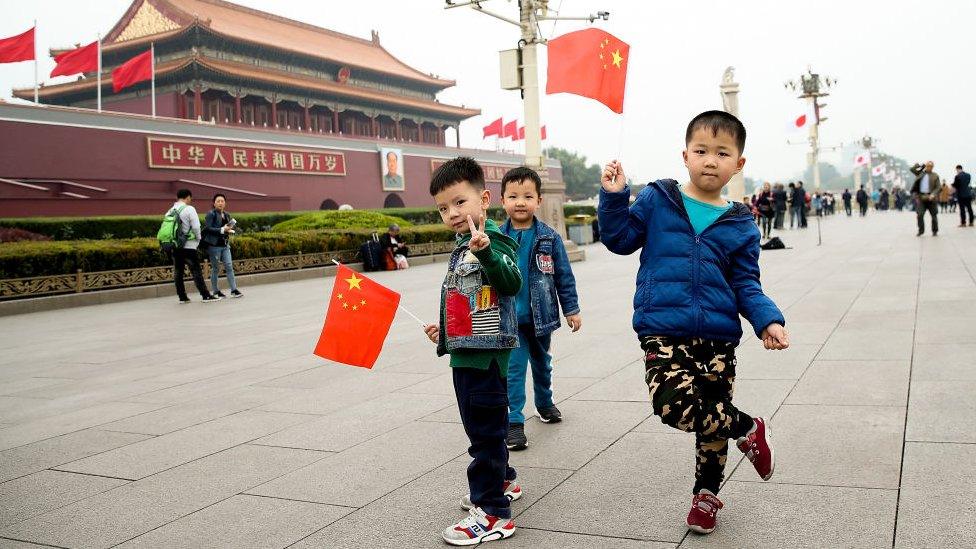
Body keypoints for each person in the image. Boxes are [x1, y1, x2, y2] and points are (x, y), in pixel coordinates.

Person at [598, 111, 789, 535]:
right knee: (672, 405)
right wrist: (613, 197)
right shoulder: (659, 199)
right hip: (662, 329)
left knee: (710, 419)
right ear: (685, 155)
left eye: (722, 153)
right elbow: (619, 240)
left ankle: (706, 496)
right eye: (701, 151)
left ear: (738, 164)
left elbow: (746, 284)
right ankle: (748, 428)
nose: (709, 160)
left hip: (718, 337)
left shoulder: (740, 223)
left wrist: (767, 321)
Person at [423, 157, 523, 545]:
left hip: (485, 359)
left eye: (459, 202)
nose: (452, 213)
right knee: (484, 429)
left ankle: (494, 512)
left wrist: (485, 252)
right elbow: (468, 300)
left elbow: (510, 282)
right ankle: (504, 481)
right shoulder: (462, 244)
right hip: (465, 353)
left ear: (483, 199)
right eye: (443, 208)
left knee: (484, 436)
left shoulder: (492, 241)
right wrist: (444, 331)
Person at [498, 166, 582, 451]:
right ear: (502, 200)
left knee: (542, 363)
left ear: (538, 201)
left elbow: (563, 276)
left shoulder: (549, 237)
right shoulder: (496, 239)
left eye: (527, 196)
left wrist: (571, 308)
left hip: (541, 316)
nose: (520, 202)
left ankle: (544, 403)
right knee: (514, 368)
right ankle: (515, 421)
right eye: (513, 196)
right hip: (508, 319)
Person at [169, 189, 219, 304]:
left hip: (175, 245)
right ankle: (205, 295)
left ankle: (182, 297)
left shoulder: (171, 210)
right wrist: (198, 239)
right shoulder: (189, 209)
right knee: (196, 270)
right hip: (189, 245)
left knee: (178, 271)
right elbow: (196, 227)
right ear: (188, 197)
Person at [202, 194, 242, 298]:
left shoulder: (227, 214)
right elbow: (207, 228)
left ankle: (234, 290)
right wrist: (221, 229)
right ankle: (216, 291)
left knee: (229, 266)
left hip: (225, 245)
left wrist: (229, 230)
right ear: (214, 203)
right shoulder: (211, 214)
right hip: (214, 246)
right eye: (218, 201)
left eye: (222, 201)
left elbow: (226, 228)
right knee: (216, 268)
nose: (220, 203)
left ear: (225, 203)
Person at [911, 161, 942, 236]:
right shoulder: (920, 173)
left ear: (932, 167)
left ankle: (935, 231)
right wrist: (920, 165)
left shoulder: (935, 176)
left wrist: (933, 194)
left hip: (931, 198)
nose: (929, 167)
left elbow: (938, 187)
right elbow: (912, 169)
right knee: (920, 215)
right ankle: (921, 230)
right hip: (921, 197)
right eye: (927, 166)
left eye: (931, 166)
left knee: (934, 216)